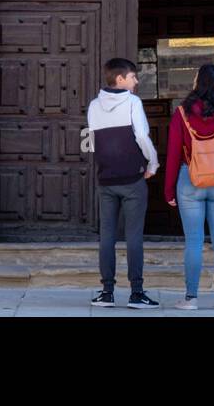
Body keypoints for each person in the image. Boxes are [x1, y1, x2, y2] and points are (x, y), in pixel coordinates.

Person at [165, 63, 214, 311]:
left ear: (199, 82)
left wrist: (168, 190)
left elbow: (173, 153)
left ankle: (191, 299)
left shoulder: (182, 113)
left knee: (194, 242)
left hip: (191, 179)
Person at [86, 57, 160, 309]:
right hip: (132, 179)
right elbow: (141, 135)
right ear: (120, 79)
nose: (136, 81)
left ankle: (106, 293)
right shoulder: (132, 101)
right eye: (133, 76)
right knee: (133, 235)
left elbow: (92, 141)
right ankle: (136, 293)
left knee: (107, 236)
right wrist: (153, 164)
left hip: (106, 179)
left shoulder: (94, 105)